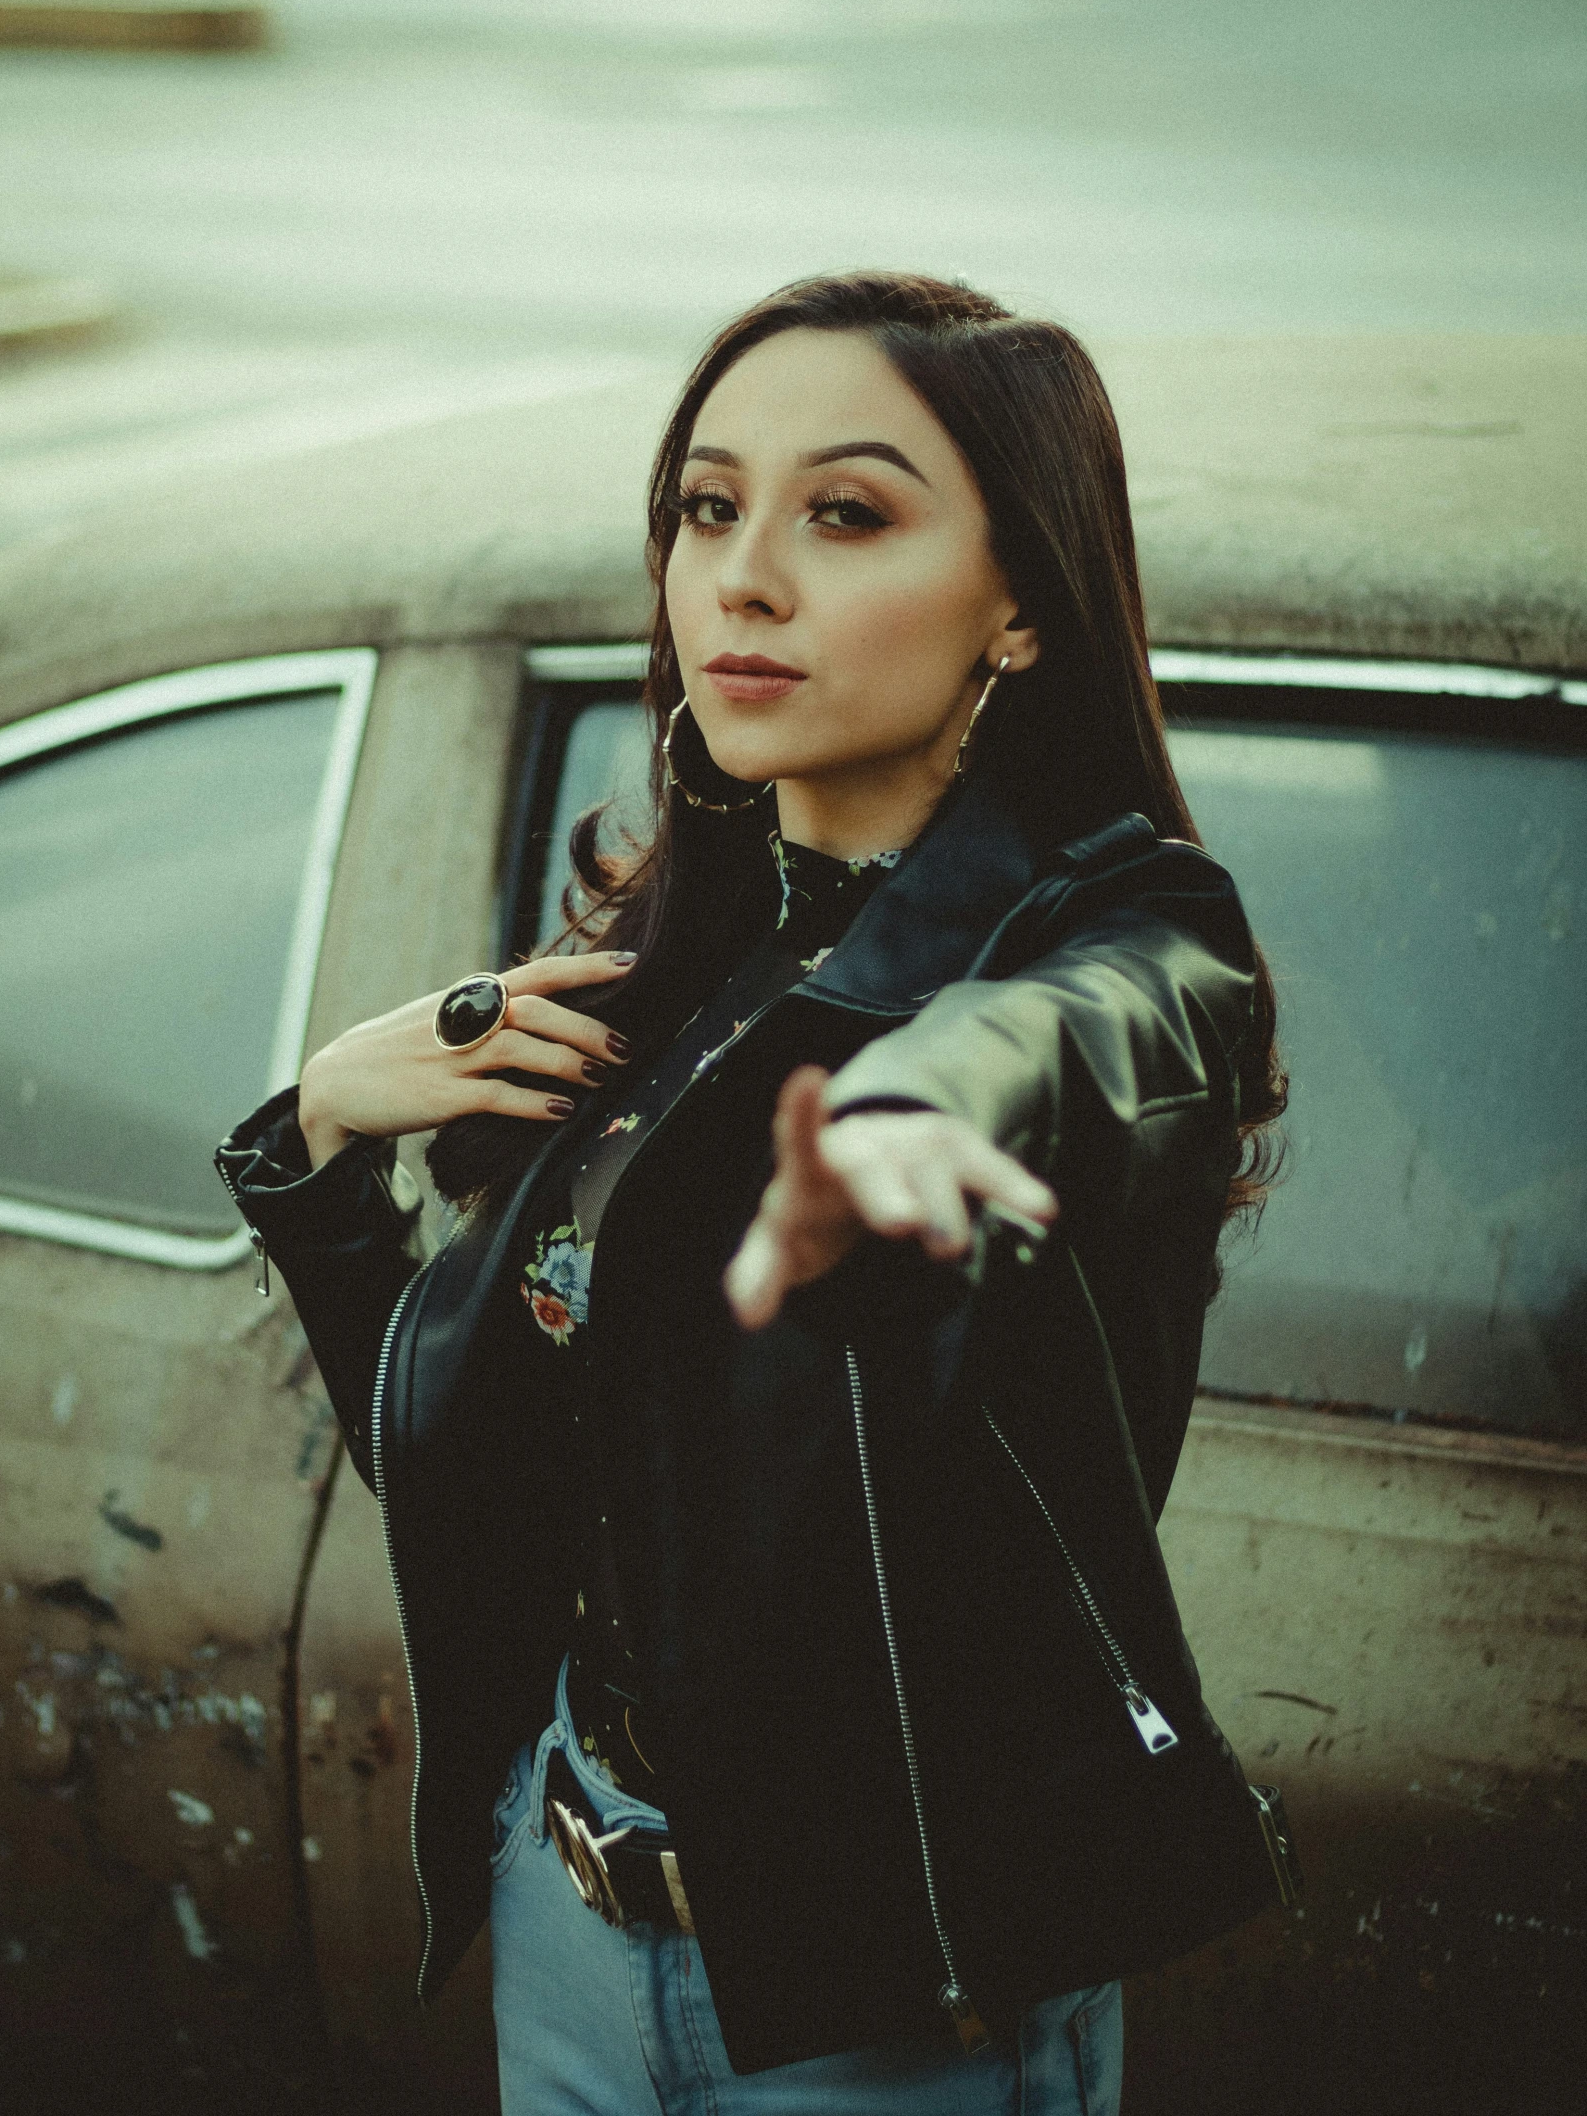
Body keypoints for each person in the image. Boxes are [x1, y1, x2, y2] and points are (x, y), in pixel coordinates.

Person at [216, 270, 1295, 2115]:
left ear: (1019, 604)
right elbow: (491, 1482)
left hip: (881, 2008)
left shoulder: (1119, 933)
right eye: (708, 508)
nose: (743, 575)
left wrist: (917, 1105)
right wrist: (320, 1152)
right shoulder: (662, 982)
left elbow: (1095, 1029)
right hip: (572, 1918)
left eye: (846, 513)